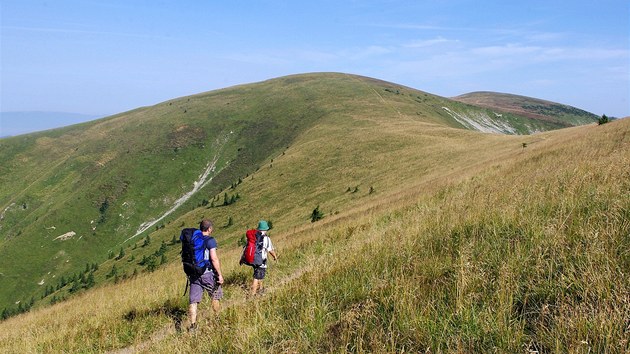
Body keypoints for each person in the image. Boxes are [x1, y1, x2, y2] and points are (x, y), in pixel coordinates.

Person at [188, 219, 224, 332]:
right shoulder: (210, 240)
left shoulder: (193, 240)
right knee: (215, 295)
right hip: (207, 273)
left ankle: (193, 326)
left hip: (194, 274)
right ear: (209, 229)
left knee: (193, 301)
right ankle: (218, 319)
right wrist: (220, 274)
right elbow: (213, 258)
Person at [250, 220, 277, 296]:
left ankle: (261, 289)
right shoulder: (266, 239)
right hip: (261, 260)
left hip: (253, 259)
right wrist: (275, 256)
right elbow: (270, 250)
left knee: (259, 275)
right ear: (265, 229)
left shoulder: (254, 236)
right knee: (256, 277)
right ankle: (253, 294)